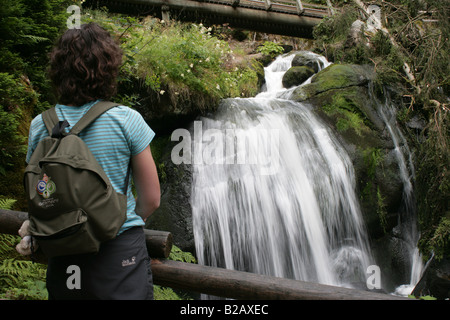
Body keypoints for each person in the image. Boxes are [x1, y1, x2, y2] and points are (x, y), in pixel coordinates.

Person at [24, 22, 160, 299]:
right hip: (118, 252)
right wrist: (122, 221)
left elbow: (38, 190)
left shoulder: (40, 125)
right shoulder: (126, 120)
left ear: (58, 70)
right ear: (108, 68)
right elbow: (152, 198)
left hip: (63, 250)